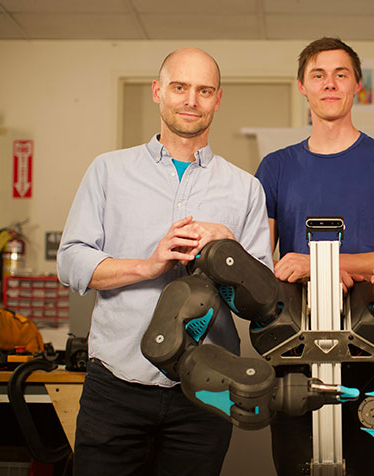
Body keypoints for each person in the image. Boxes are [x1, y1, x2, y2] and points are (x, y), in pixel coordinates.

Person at [57, 47, 272, 476]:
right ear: (158, 92)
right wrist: (148, 265)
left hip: (206, 390)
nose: (191, 99)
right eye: (180, 87)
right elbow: (71, 262)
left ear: (217, 99)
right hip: (116, 386)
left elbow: (263, 301)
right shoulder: (108, 171)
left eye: (204, 90)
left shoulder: (245, 188)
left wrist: (229, 249)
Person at [254, 37, 374, 475]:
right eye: (318, 75)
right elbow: (263, 267)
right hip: (293, 350)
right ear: (302, 87)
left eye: (340, 74)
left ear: (357, 86)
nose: (329, 84)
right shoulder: (275, 167)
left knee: (372, 466)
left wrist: (320, 265)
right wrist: (368, 261)